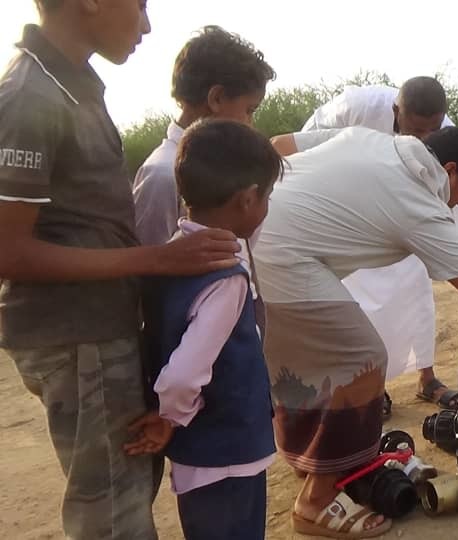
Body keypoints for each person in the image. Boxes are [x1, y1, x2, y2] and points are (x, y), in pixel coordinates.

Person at [255, 126, 458, 538]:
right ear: (448, 170)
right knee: (360, 359)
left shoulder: (368, 138)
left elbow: (279, 146)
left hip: (254, 230)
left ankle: (308, 461)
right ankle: (316, 501)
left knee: (302, 362)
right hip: (286, 259)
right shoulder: (418, 201)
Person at [0, 2, 239, 538]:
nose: (147, 24)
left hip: (99, 327)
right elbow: (7, 251)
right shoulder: (29, 96)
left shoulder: (71, 85)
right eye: (140, 4)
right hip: (76, 335)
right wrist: (157, 258)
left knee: (127, 486)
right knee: (113, 514)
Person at [125, 120, 283, 540]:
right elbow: (182, 373)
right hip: (227, 449)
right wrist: (170, 417)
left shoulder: (173, 256)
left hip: (203, 453)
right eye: (266, 196)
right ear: (248, 200)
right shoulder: (225, 278)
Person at [295, 77, 458, 412]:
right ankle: (372, 386)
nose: (424, 142)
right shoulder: (357, 107)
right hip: (354, 209)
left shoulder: (448, 136)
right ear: (395, 111)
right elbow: (305, 143)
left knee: (417, 291)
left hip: (410, 209)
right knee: (361, 304)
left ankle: (426, 378)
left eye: (432, 131)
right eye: (416, 131)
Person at [132, 25, 276, 246]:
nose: (250, 124)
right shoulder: (162, 174)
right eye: (249, 110)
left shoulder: (230, 167)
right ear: (216, 98)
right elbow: (147, 263)